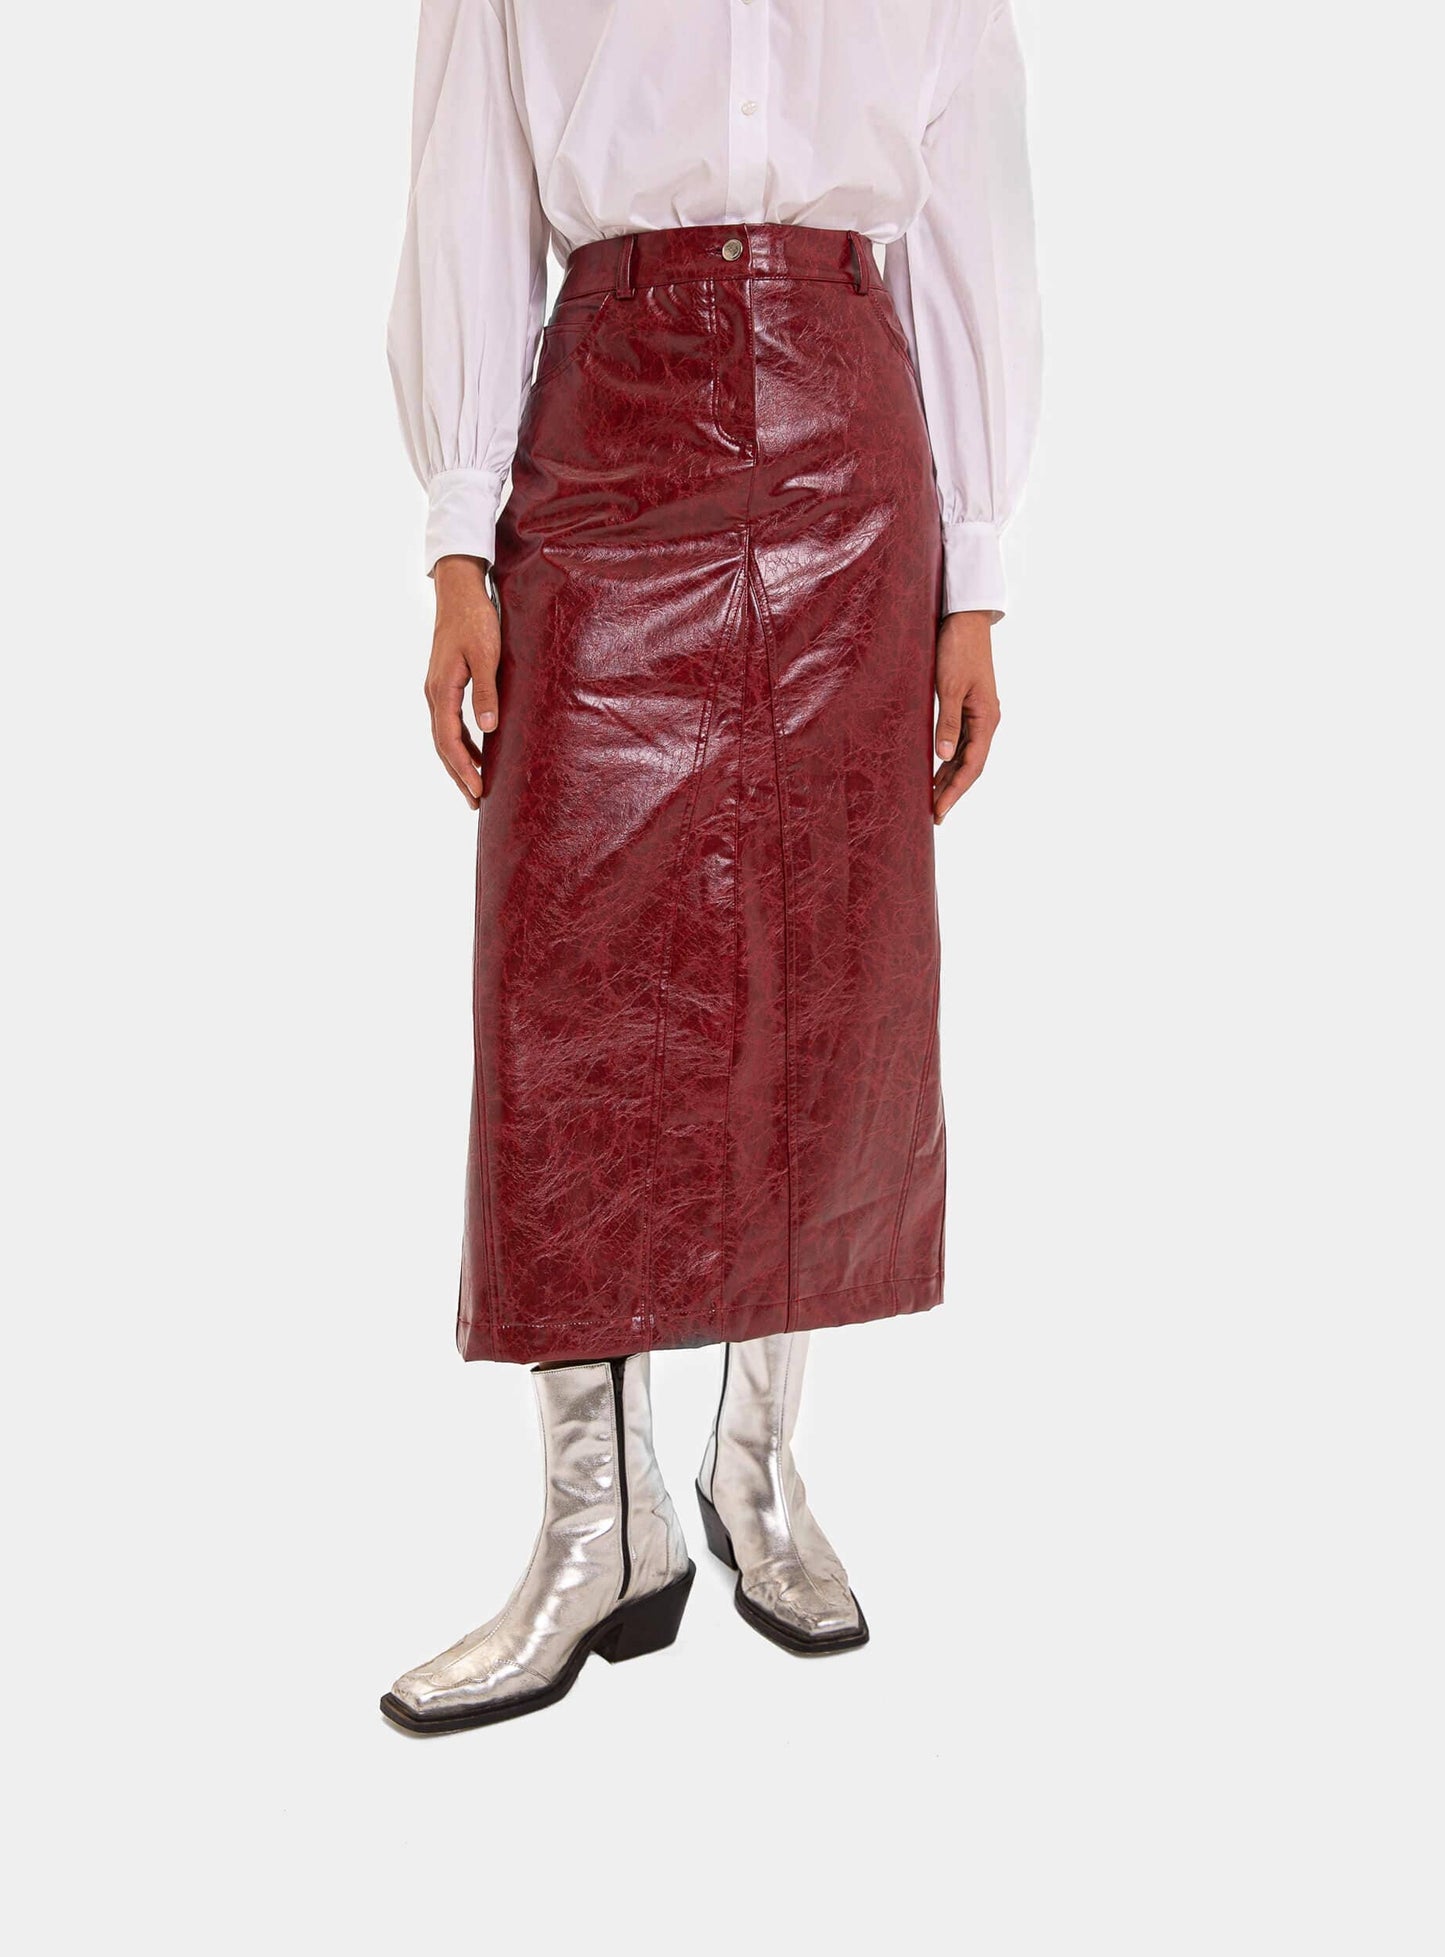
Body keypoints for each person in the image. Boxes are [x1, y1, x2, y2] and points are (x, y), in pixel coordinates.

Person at [380, 0, 1041, 1735]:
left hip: (848, 432)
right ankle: (598, 1528)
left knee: (816, 966)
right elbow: (466, 176)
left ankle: (754, 1467)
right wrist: (456, 535)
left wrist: (974, 574)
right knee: (566, 984)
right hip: (604, 423)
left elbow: (970, 199)